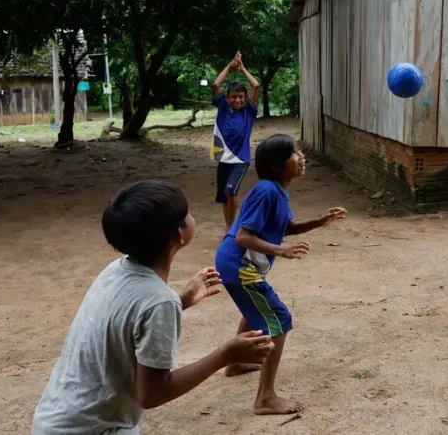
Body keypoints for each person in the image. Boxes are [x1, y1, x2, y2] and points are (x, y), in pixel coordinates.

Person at [32, 181, 275, 435]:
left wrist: (181, 301)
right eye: (186, 214)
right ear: (178, 235)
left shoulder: (115, 270)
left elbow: (127, 322)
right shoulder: (159, 300)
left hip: (56, 419)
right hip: (95, 429)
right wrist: (225, 355)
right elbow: (152, 393)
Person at [215, 134, 347, 415]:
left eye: (299, 152)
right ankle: (265, 398)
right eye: (294, 153)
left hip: (238, 265)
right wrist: (281, 250)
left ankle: (236, 362)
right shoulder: (266, 191)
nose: (301, 157)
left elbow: (285, 227)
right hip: (240, 264)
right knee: (279, 320)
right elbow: (243, 237)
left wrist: (320, 221)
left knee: (256, 309)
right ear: (277, 165)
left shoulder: (276, 190)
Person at [212, 51, 260, 230]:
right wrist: (230, 66)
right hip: (224, 159)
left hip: (240, 160)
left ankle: (232, 229)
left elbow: (255, 86)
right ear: (227, 98)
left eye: (241, 97)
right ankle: (228, 228)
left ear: (245, 98)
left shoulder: (249, 111)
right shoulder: (223, 107)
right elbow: (217, 84)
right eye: (233, 96)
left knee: (231, 191)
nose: (237, 100)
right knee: (225, 196)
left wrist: (243, 69)